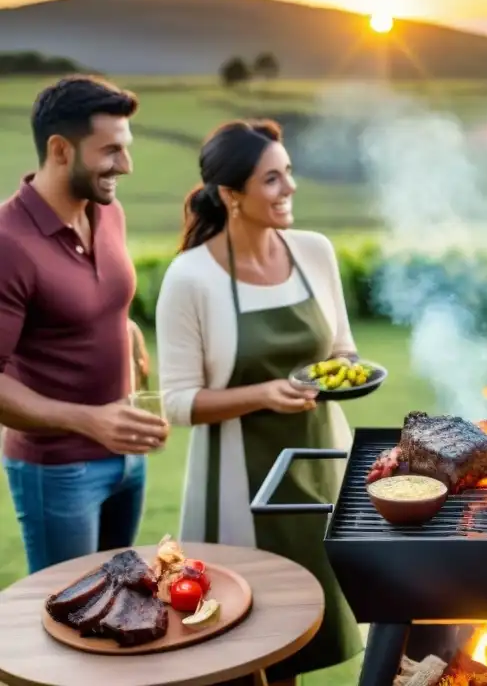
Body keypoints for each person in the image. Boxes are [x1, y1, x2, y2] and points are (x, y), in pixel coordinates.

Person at [155, 119, 363, 686]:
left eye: (289, 173)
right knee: (251, 643)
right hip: (238, 482)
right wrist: (263, 395)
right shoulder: (190, 277)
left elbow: (342, 349)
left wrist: (343, 376)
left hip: (321, 464)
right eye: (272, 179)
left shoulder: (314, 252)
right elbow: (176, 402)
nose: (290, 188)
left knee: (318, 624)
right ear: (231, 195)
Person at [0, 75, 169, 574]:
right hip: (59, 470)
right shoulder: (8, 244)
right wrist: (89, 419)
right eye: (111, 150)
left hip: (126, 459)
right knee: (70, 617)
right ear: (59, 150)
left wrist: (126, 330)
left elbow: (89, 300)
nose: (126, 165)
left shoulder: (108, 210)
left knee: (121, 604)